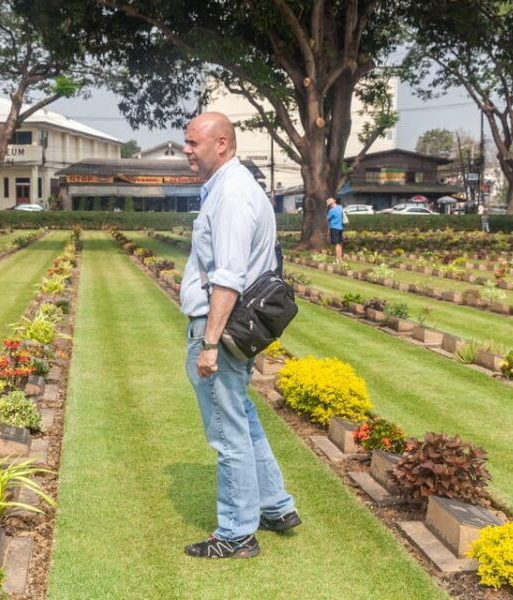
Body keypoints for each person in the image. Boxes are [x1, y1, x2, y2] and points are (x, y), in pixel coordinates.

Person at [180, 111, 299, 559]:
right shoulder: (237, 188)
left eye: (194, 143)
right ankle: (275, 506)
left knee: (227, 433)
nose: (187, 150)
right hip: (237, 329)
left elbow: (227, 276)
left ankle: (236, 533)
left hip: (223, 330)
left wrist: (209, 343)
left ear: (222, 144)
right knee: (243, 420)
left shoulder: (230, 194)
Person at [326, 196, 344, 264]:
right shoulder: (340, 207)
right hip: (340, 227)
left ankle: (337, 260)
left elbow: (328, 218)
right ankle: (340, 259)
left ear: (330, 204)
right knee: (340, 244)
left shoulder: (332, 210)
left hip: (334, 228)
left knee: (336, 244)